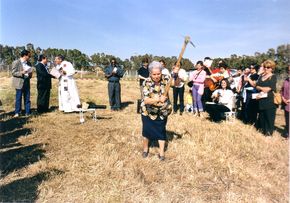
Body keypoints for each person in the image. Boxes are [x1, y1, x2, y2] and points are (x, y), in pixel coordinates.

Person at [140, 61, 172, 161]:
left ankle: (161, 153)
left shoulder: (166, 78)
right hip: (148, 111)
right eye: (154, 74)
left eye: (158, 73)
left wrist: (176, 73)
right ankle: (145, 149)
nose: (157, 76)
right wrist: (158, 99)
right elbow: (146, 100)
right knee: (146, 131)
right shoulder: (146, 82)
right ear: (150, 73)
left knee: (161, 131)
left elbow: (176, 82)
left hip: (162, 111)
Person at [255, 59, 277, 136]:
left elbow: (268, 89)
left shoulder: (273, 77)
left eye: (268, 67)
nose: (266, 68)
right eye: (265, 67)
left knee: (269, 117)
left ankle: (269, 133)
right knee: (262, 116)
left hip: (269, 101)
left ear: (272, 68)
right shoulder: (261, 76)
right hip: (261, 100)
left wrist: (260, 88)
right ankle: (263, 131)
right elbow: (256, 86)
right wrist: (261, 89)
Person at [11, 49, 32, 117]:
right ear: (25, 55)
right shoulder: (16, 62)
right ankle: (17, 112)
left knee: (27, 98)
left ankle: (27, 112)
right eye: (29, 56)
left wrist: (30, 74)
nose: (29, 57)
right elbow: (13, 72)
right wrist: (21, 73)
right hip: (19, 83)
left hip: (26, 82)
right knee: (18, 98)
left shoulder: (29, 63)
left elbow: (29, 73)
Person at [281, 65, 290, 138]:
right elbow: (282, 90)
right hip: (286, 103)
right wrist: (282, 98)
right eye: (289, 70)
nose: (289, 71)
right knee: (287, 118)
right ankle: (288, 133)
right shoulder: (286, 80)